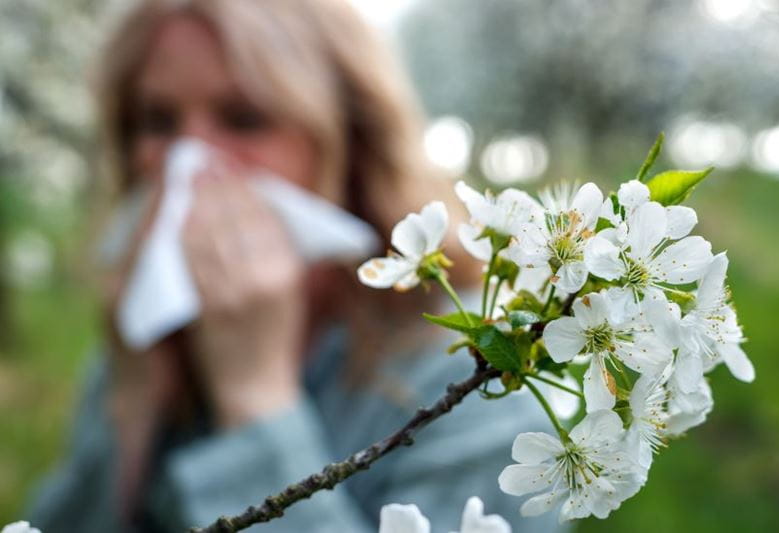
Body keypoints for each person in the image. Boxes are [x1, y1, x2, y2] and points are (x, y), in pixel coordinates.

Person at [26, 1, 563, 532]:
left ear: (351, 140)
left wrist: (254, 396)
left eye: (244, 119)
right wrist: (131, 408)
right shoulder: (153, 339)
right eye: (158, 121)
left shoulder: (477, 376)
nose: (189, 160)